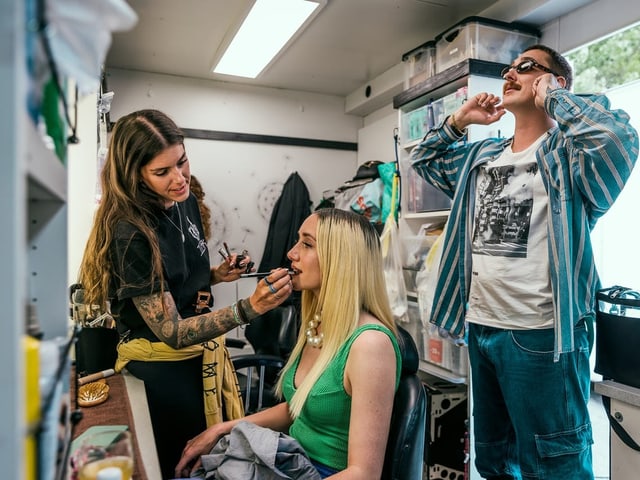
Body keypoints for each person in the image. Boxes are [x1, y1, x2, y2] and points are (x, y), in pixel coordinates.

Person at [410, 44, 638, 479]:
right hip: (482, 328)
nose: (510, 74)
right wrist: (460, 120)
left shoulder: (571, 155)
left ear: (555, 80)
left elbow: (618, 140)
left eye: (526, 67)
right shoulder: (483, 156)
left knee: (555, 465)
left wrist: (552, 97)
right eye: (508, 69)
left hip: (542, 336)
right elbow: (424, 159)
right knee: (494, 461)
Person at [77, 109, 293, 479]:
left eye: (182, 162)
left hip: (198, 363)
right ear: (135, 175)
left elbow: (175, 281)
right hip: (162, 375)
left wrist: (217, 275)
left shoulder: (185, 198)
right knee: (179, 466)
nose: (179, 178)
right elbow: (172, 331)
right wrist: (249, 308)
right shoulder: (131, 232)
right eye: (162, 172)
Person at [175, 208, 402, 479]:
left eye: (306, 244)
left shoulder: (370, 344)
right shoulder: (318, 323)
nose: (291, 253)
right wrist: (222, 428)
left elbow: (363, 473)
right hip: (289, 459)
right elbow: (298, 407)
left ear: (340, 259)